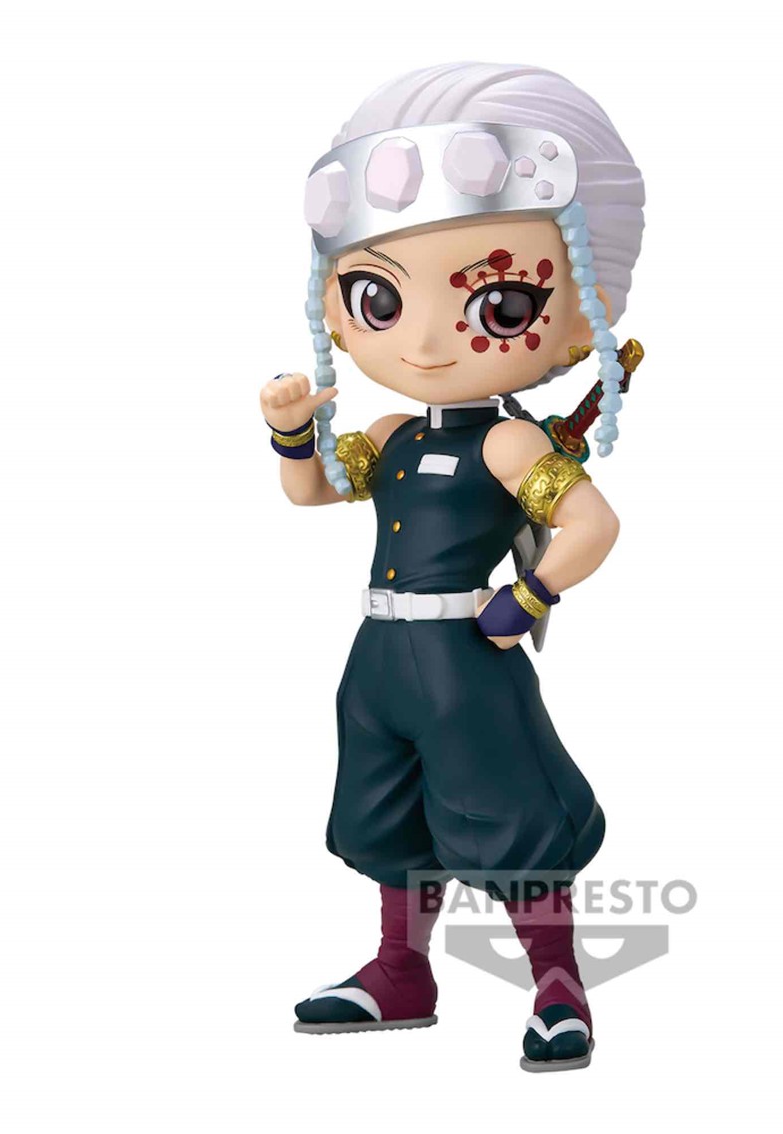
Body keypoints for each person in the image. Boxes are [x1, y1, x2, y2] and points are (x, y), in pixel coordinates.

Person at [260, 62, 646, 1072]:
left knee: (510, 810)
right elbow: (313, 494)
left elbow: (593, 524)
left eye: (501, 303)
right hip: (380, 656)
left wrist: (529, 594)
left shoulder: (513, 445)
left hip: (467, 653)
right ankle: (401, 971)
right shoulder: (389, 436)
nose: (430, 339)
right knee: (388, 810)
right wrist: (292, 432)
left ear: (580, 315)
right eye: (380, 297)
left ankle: (557, 983)